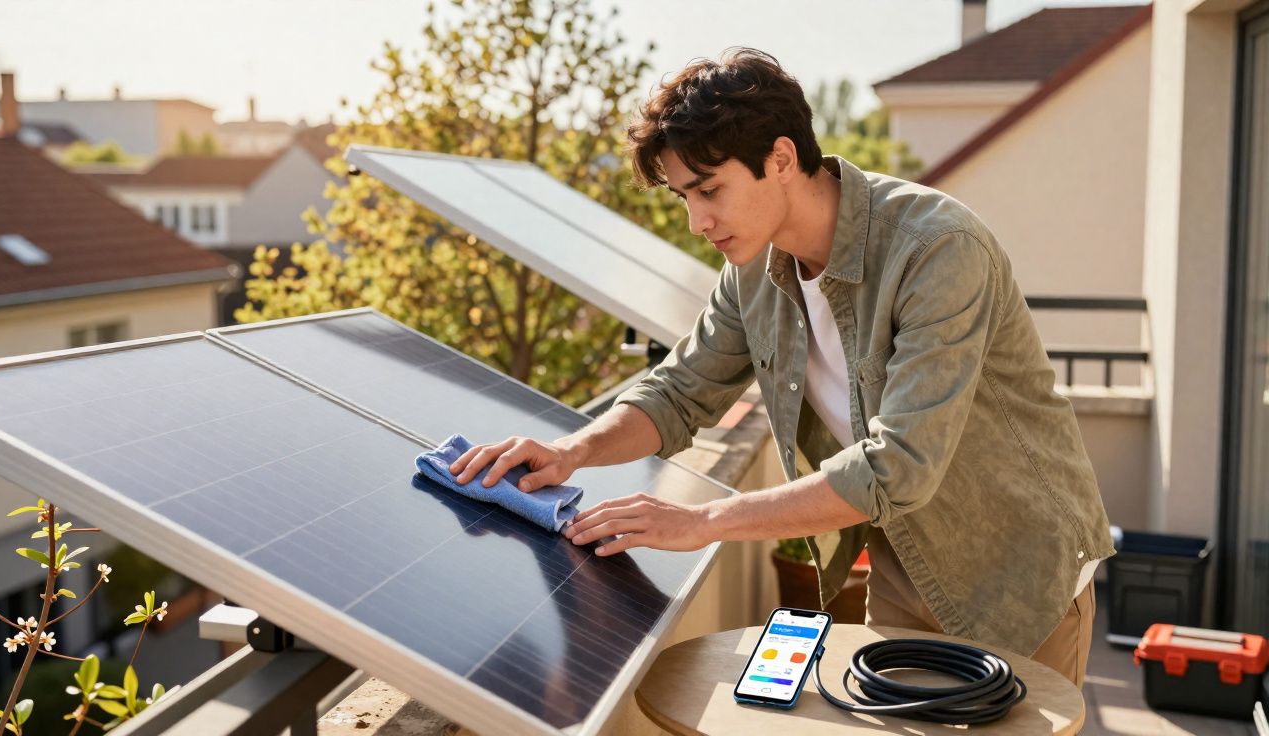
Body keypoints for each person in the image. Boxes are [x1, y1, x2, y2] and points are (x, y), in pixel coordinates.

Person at [450, 47, 1113, 687]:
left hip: (1021, 578)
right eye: (683, 197)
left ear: (782, 158)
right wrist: (571, 452)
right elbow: (680, 393)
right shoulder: (752, 274)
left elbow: (901, 465)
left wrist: (702, 522)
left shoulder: (935, 248)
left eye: (709, 189)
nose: (696, 221)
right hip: (906, 569)